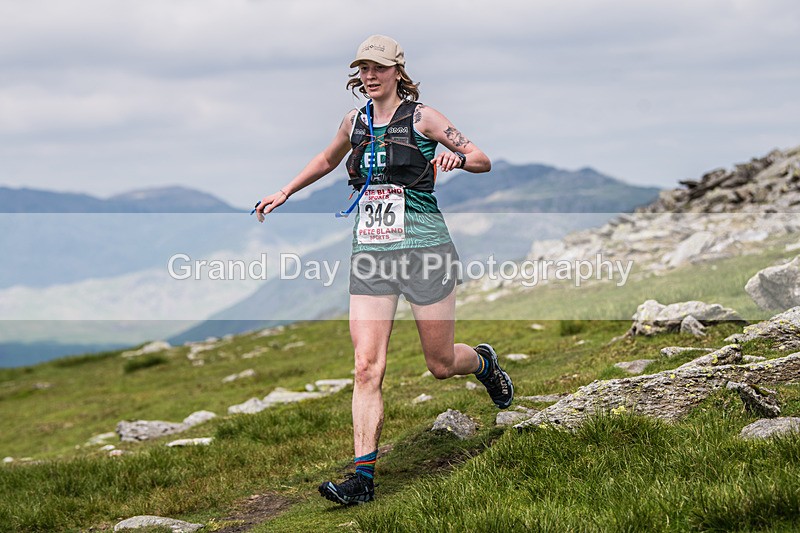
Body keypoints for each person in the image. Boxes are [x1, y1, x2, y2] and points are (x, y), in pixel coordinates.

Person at [255, 35, 513, 505]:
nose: (369, 76)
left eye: (378, 67)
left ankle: (483, 362)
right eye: (363, 69)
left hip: (424, 250)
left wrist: (455, 159)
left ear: (398, 71)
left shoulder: (423, 118)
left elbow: (482, 158)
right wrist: (285, 191)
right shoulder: (353, 122)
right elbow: (326, 159)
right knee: (365, 366)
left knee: (439, 364)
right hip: (372, 255)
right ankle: (362, 482)